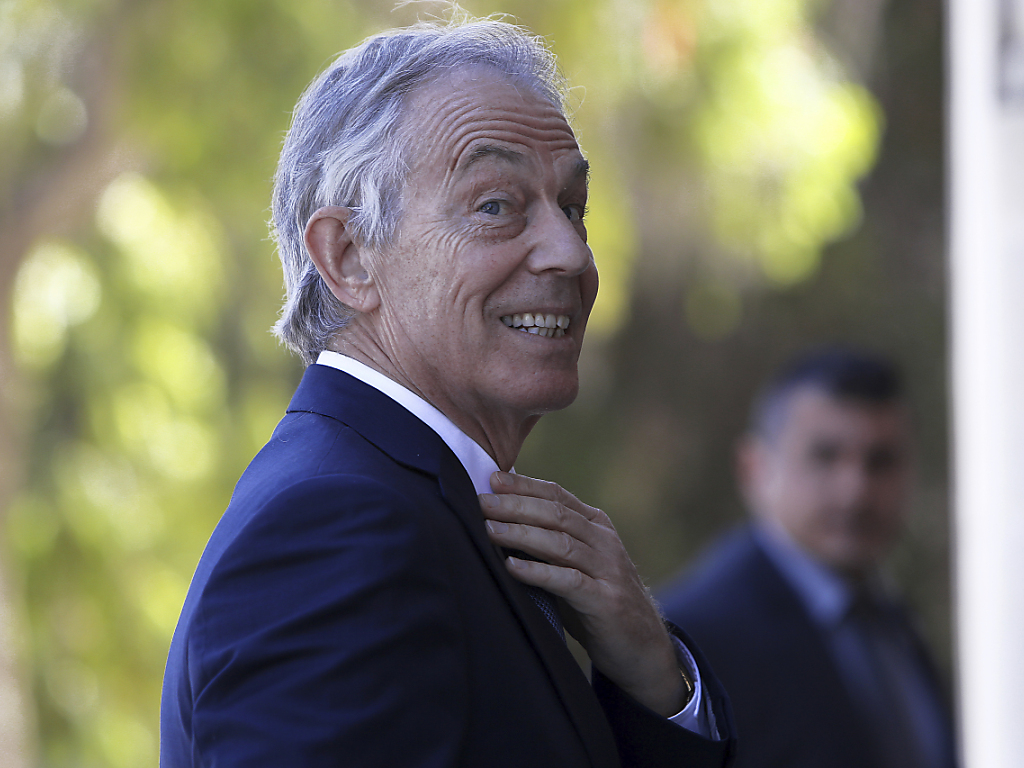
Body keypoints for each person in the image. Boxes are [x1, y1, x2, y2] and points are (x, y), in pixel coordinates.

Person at [160, 16, 735, 767]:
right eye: (495, 205)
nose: (570, 253)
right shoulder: (337, 528)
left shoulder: (419, 507)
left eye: (573, 207)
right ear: (349, 256)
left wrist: (656, 682)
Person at [658, 347, 956, 768]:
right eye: (825, 456)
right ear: (754, 469)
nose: (855, 491)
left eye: (881, 461)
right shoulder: (693, 641)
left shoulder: (893, 623)